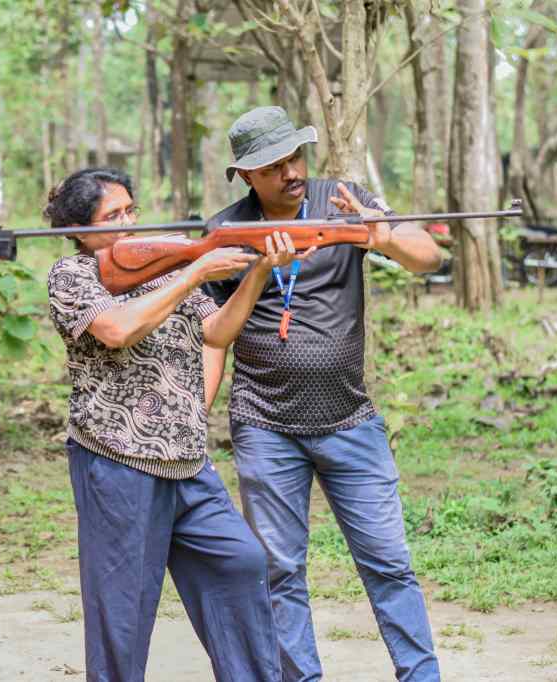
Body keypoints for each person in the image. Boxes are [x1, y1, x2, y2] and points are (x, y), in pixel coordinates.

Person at [46, 167, 316, 682]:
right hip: (117, 460)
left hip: (188, 461)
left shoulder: (164, 266)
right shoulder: (72, 275)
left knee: (240, 562)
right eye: (112, 215)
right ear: (81, 229)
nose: (128, 222)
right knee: (122, 611)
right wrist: (194, 272)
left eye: (131, 210)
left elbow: (217, 332)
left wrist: (260, 270)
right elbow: (117, 330)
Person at [202, 106, 442, 682]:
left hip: (350, 420)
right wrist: (195, 416)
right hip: (264, 424)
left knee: (389, 562)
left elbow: (428, 256)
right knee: (280, 571)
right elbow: (213, 337)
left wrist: (383, 237)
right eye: (272, 167)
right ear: (245, 175)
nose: (290, 173)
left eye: (295, 159)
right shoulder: (226, 230)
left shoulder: (343, 201)